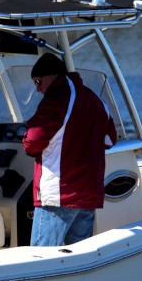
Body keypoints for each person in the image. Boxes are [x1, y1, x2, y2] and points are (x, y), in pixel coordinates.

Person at [22, 53, 117, 247]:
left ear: (53, 76)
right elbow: (109, 139)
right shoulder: (95, 100)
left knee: (40, 260)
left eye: (39, 82)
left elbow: (32, 141)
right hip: (87, 195)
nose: (39, 89)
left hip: (59, 196)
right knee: (79, 260)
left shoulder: (56, 99)